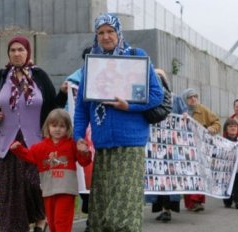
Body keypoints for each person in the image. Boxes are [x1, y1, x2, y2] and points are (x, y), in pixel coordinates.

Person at [73, 13, 163, 232]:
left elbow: (156, 95)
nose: (106, 37)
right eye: (101, 32)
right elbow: (82, 109)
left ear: (118, 33)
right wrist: (78, 138)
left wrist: (129, 106)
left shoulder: (136, 57)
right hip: (103, 144)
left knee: (123, 206)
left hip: (130, 143)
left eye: (110, 31)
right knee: (102, 206)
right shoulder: (91, 67)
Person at [0, 36, 67, 232]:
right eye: (12, 50)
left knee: (34, 185)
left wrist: (63, 93)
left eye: (20, 49)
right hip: (8, 143)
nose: (16, 53)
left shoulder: (39, 76)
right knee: (11, 192)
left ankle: (40, 218)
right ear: (8, 54)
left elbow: (53, 106)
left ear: (28, 52)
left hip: (35, 142)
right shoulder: (2, 77)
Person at [9, 109, 92, 232]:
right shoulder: (41, 147)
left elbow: (84, 161)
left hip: (66, 191)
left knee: (61, 222)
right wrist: (18, 149)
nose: (57, 129)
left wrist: (85, 152)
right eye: (54, 125)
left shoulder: (72, 145)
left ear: (68, 128)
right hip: (48, 190)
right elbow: (29, 155)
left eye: (62, 126)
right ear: (47, 127)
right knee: (52, 223)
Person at [146, 69, 184, 223]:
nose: (158, 80)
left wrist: (185, 117)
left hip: (171, 146)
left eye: (160, 77)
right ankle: (162, 208)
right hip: (154, 145)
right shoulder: (148, 98)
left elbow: (183, 115)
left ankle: (167, 209)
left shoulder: (175, 98)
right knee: (157, 178)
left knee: (169, 178)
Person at [65, 46, 93, 232]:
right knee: (81, 173)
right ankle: (87, 202)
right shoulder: (74, 80)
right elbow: (67, 106)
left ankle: (93, 214)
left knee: (94, 175)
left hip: (99, 135)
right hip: (79, 133)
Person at [182, 88, 221, 212]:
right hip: (185, 148)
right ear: (185, 99)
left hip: (201, 149)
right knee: (188, 175)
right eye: (190, 97)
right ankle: (191, 203)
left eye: (195, 96)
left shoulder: (203, 110)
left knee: (200, 174)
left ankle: (197, 201)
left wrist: (212, 129)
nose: (193, 99)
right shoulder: (180, 111)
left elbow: (217, 123)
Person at [222, 118, 238, 209]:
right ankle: (227, 200)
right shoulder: (222, 141)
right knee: (226, 186)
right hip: (226, 169)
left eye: (235, 126)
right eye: (230, 126)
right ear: (226, 129)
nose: (233, 128)